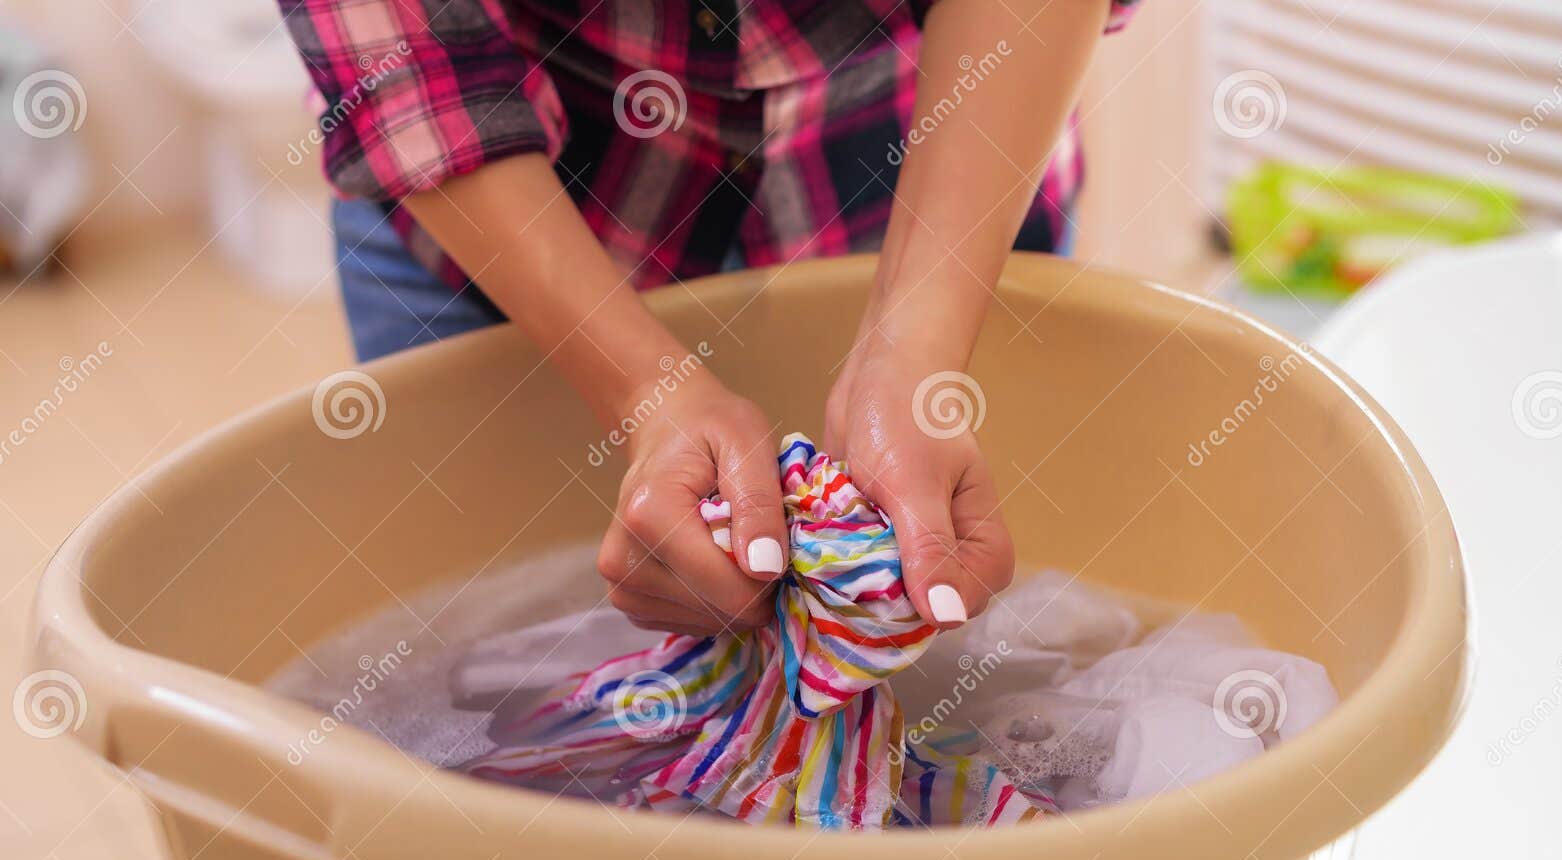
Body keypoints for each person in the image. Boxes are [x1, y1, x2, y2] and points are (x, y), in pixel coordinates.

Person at [279, 0, 1137, 637]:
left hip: (922, 160)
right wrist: (642, 394)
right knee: (482, 656)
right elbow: (412, 75)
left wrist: (912, 352)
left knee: (969, 656)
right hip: (506, 211)